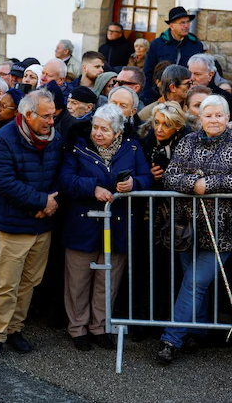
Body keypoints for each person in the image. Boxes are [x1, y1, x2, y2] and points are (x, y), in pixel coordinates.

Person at [156, 95, 232, 365]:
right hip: (187, 229)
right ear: (200, 118)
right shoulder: (188, 142)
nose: (214, 120)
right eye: (208, 115)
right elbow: (170, 176)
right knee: (193, 284)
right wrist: (194, 183)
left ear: (227, 118)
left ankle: (171, 339)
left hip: (222, 231)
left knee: (194, 283)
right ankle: (197, 332)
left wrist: (208, 185)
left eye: (219, 115)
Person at [60, 103, 151, 351]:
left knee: (107, 280)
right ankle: (78, 328)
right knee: (78, 280)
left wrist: (134, 184)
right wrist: (92, 188)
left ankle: (99, 327)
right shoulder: (78, 146)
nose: (98, 133)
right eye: (95, 127)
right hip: (83, 223)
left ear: (118, 132)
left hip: (118, 224)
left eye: (105, 129)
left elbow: (146, 177)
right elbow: (66, 180)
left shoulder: (132, 147)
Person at [0, 89, 63, 361]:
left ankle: (15, 329)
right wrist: (41, 202)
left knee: (30, 282)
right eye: (46, 116)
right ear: (28, 114)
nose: (51, 122)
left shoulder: (55, 138)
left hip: (42, 225)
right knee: (7, 284)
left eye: (53, 116)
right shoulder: (4, 139)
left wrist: (49, 203)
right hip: (15, 225)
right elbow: (3, 182)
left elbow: (59, 175)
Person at [142, 7, 204, 104]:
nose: (186, 26)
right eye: (182, 23)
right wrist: (147, 97)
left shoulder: (196, 45)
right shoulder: (157, 44)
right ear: (171, 25)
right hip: (159, 95)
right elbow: (148, 72)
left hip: (185, 96)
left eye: (188, 22)